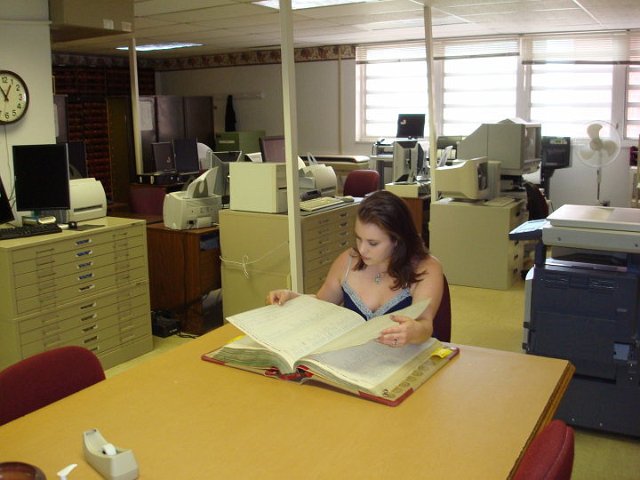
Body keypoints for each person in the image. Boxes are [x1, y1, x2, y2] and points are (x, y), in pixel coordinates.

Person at [267, 190, 444, 347]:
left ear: (397, 239)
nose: (362, 249)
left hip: (404, 361)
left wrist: (414, 332)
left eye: (373, 243)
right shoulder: (348, 260)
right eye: (359, 238)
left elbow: (425, 325)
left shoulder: (427, 268)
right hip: (357, 362)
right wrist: (293, 298)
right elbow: (321, 304)